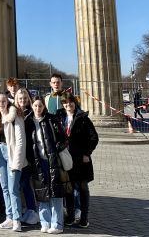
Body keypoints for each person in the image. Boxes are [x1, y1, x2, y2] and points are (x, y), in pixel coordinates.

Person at [26, 96, 71, 234]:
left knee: (56, 193)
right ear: (32, 106)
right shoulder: (28, 122)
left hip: (53, 161)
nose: (38, 108)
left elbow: (64, 138)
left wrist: (56, 148)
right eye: (35, 106)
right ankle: (45, 222)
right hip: (37, 162)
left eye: (40, 106)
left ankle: (57, 224)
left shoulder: (51, 119)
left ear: (44, 107)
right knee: (41, 193)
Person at [60, 94, 99, 229]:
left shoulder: (83, 118)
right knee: (69, 190)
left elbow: (94, 138)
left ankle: (84, 218)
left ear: (75, 103)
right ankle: (70, 216)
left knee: (83, 189)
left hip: (81, 159)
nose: (68, 105)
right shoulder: (60, 118)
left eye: (71, 102)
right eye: (65, 103)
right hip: (65, 159)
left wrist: (87, 153)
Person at [0, 93, 26, 232]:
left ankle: (17, 219)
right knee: (5, 188)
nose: (1, 104)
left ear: (8, 102)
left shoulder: (15, 115)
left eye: (3, 101)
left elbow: (20, 141)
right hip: (0, 154)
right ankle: (9, 216)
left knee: (13, 189)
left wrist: (17, 162)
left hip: (12, 154)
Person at [14, 88, 39, 226]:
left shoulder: (32, 113)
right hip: (16, 154)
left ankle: (32, 210)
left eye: (25, 98)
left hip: (29, 155)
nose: (22, 101)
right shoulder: (14, 113)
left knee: (25, 184)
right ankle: (23, 209)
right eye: (20, 98)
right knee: (18, 185)